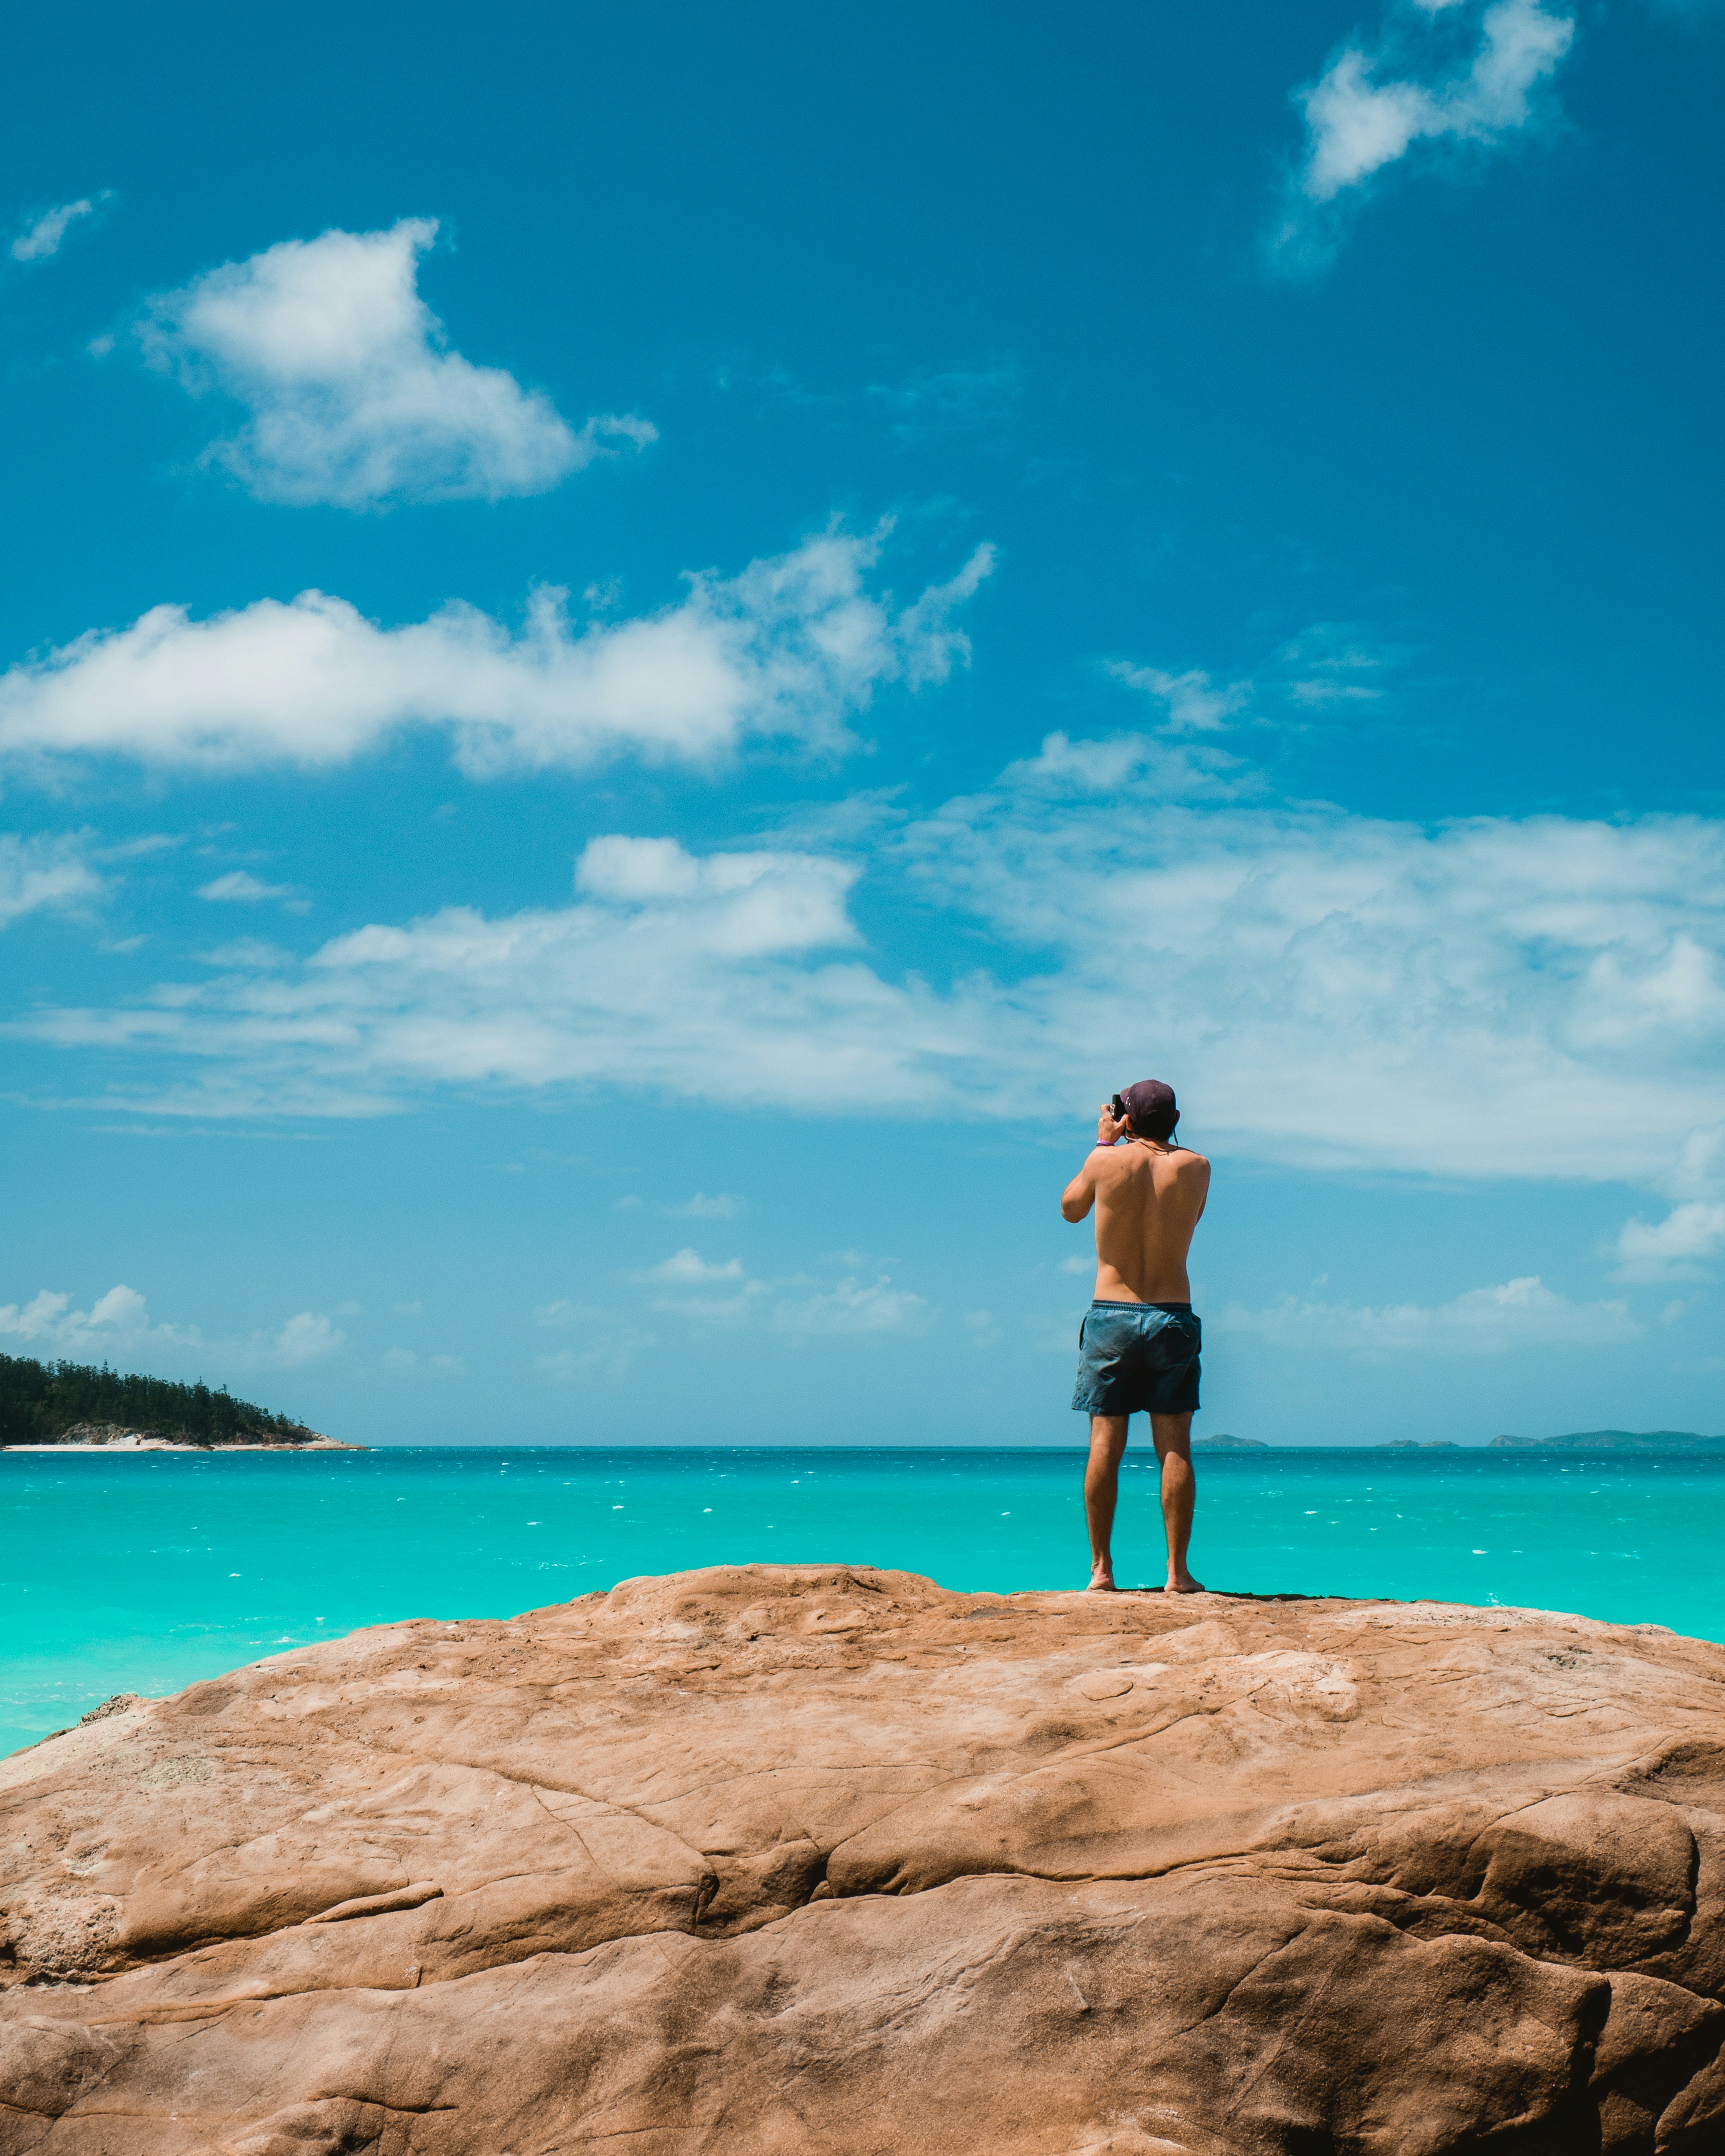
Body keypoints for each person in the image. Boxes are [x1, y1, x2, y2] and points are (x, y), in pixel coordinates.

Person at [1061, 1079, 1211, 1594]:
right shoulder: (1196, 1166)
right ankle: (1178, 1573)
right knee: (1175, 1445)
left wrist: (1105, 1141)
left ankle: (1102, 1570)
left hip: (1113, 1313)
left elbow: (1070, 1208)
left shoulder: (1105, 1161)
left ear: (1125, 1115)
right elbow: (1188, 1216)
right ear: (1173, 1117)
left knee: (1105, 1443)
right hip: (1171, 1312)